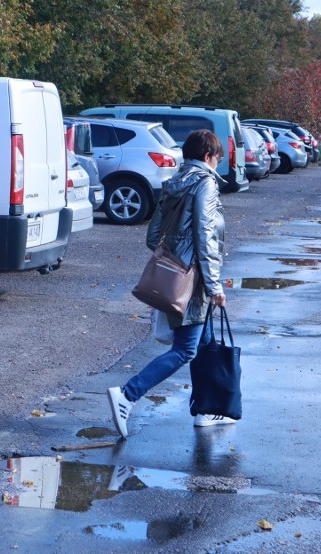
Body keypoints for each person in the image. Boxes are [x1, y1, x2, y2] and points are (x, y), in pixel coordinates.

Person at [107, 129, 231, 439]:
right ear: (207, 157)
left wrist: (172, 258)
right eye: (217, 158)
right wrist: (214, 285)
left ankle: (205, 409)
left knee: (203, 345)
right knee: (185, 350)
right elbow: (204, 235)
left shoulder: (175, 182)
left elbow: (153, 237)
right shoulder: (205, 183)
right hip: (195, 281)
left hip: (182, 276)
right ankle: (127, 395)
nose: (217, 163)